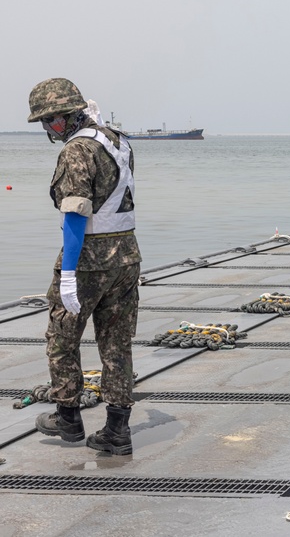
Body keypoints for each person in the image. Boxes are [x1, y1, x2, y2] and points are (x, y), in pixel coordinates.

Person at [28, 78, 142, 456]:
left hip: (89, 261)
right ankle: (116, 431)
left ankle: (68, 418)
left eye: (50, 121)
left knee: (62, 338)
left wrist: (69, 275)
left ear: (67, 116)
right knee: (117, 343)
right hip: (126, 257)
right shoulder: (117, 140)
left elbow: (75, 215)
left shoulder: (77, 151)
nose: (49, 129)